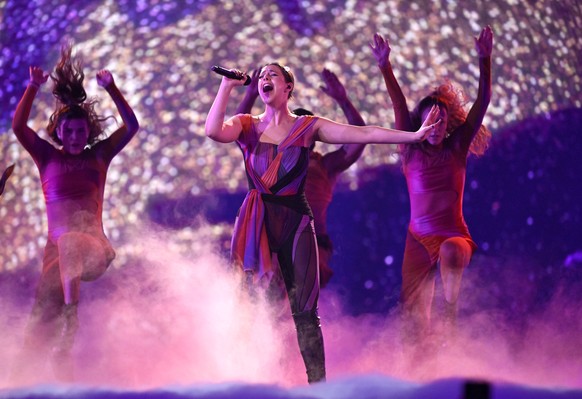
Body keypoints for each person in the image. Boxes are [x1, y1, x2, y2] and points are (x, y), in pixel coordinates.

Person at [205, 62, 440, 383]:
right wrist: (227, 87)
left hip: (295, 220)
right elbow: (212, 131)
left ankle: (318, 386)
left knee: (305, 312)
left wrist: (413, 136)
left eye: (272, 74)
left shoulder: (307, 127)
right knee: (254, 304)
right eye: (261, 76)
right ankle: (250, 379)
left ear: (288, 87)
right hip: (256, 220)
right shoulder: (245, 125)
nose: (265, 79)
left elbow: (363, 133)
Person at [11, 44, 139, 382]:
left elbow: (131, 125)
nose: (74, 136)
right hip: (55, 258)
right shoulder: (47, 158)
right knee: (38, 329)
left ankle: (72, 319)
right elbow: (20, 128)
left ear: (88, 132)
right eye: (68, 131)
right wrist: (32, 87)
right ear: (58, 132)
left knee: (69, 239)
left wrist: (111, 88)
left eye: (80, 131)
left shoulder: (99, 155)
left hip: (93, 249)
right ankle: (41, 378)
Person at [370, 26, 493, 348]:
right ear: (421, 125)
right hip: (417, 240)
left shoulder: (457, 147)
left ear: (448, 124)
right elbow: (398, 104)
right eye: (430, 122)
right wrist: (385, 65)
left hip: (454, 235)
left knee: (452, 249)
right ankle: (418, 366)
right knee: (410, 317)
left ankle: (450, 317)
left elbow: (482, 103)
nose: (436, 129)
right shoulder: (409, 149)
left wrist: (485, 60)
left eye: (441, 122)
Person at [235, 68, 366, 288]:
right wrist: (249, 96)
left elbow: (360, 137)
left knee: (288, 290)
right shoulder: (270, 158)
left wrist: (343, 101)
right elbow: (240, 131)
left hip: (312, 244)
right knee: (267, 293)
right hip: (272, 240)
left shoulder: (326, 166)